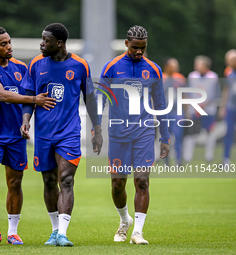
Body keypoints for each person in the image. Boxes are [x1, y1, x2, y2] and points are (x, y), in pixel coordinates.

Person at [20, 23, 103, 247]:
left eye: (45, 40)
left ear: (59, 43)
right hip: (44, 135)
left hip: (69, 133)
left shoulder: (79, 65)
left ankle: (63, 233)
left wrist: (97, 129)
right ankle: (54, 231)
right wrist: (26, 120)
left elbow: (91, 98)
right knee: (49, 181)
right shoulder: (36, 64)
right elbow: (29, 95)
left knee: (66, 180)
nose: (41, 44)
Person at [0, 26, 56, 246]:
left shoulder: (22, 67)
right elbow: (2, 95)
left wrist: (25, 122)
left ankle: (12, 231)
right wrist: (34, 101)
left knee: (15, 182)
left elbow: (30, 95)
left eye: (9, 42)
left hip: (17, 135)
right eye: (3, 44)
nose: (9, 46)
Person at [97, 25, 170, 245]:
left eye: (143, 48)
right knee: (118, 184)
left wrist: (164, 138)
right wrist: (96, 130)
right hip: (118, 133)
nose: (139, 52)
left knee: (142, 182)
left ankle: (138, 232)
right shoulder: (111, 67)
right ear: (126, 43)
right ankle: (124, 221)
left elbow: (160, 104)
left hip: (144, 133)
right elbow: (99, 100)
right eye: (136, 48)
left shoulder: (154, 69)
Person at [183, 55, 220, 163]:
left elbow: (216, 94)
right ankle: (187, 156)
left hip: (209, 109)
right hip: (194, 109)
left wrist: (204, 104)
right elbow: (188, 92)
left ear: (205, 65)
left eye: (198, 63)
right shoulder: (192, 76)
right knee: (191, 133)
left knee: (210, 132)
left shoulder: (213, 77)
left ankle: (209, 155)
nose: (196, 66)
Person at [162, 58, 186, 165]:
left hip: (177, 111)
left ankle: (178, 160)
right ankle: (166, 161)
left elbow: (184, 95)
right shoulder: (161, 78)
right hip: (165, 112)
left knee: (178, 136)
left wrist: (186, 110)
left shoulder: (180, 78)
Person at [219, 50, 236, 164]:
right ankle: (226, 159)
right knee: (228, 133)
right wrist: (222, 107)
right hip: (231, 107)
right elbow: (226, 90)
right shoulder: (228, 72)